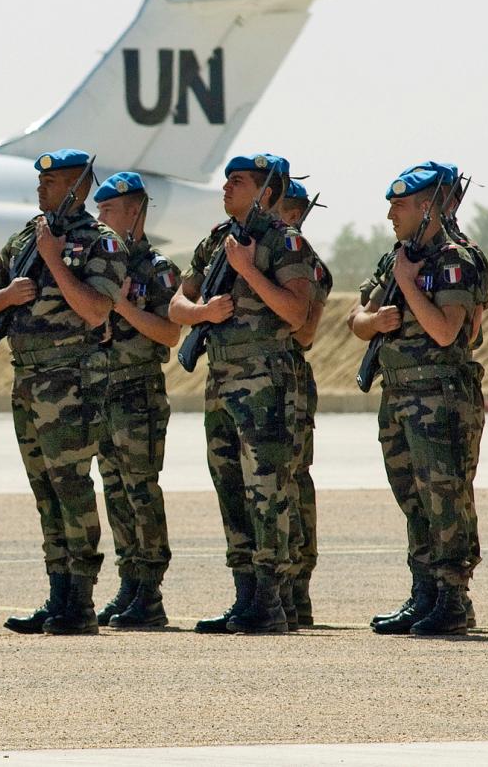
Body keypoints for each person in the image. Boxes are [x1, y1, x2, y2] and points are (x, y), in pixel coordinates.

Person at [0, 150, 127, 635]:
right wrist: (5, 298)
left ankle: (79, 602)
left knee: (72, 488)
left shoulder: (101, 242)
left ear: (78, 186)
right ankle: (57, 595)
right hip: (28, 378)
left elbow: (97, 310)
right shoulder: (26, 235)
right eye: (40, 179)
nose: (42, 186)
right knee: (45, 491)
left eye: (53, 180)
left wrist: (55, 261)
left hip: (72, 379)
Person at [170, 153, 315, 635]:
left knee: (268, 491)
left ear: (267, 191)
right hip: (221, 379)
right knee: (229, 485)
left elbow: (297, 313)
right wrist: (202, 313)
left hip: (266, 380)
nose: (227, 187)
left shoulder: (285, 242)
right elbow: (177, 304)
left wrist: (248, 271)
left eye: (239, 181)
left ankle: (272, 601)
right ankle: (244, 595)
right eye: (227, 180)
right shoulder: (216, 239)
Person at [349, 166, 483, 636]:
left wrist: (407, 285)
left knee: (445, 497)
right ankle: (424, 593)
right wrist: (375, 322)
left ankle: (453, 598)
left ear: (427, 206)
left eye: (399, 205)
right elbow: (356, 317)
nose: (390, 214)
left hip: (440, 395)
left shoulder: (455, 259)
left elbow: (448, 330)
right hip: (400, 392)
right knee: (413, 497)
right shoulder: (396, 259)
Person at [91, 171, 180, 630]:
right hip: (101, 391)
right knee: (115, 490)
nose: (100, 218)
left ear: (135, 212)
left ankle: (149, 590)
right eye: (98, 210)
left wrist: (122, 308)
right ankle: (129, 582)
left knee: (141, 490)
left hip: (138, 391)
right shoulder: (100, 263)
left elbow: (169, 333)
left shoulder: (157, 270)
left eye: (108, 210)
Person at [276, 179, 332, 627]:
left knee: (289, 483)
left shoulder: (305, 263)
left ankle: (295, 592)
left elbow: (305, 332)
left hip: (286, 379)